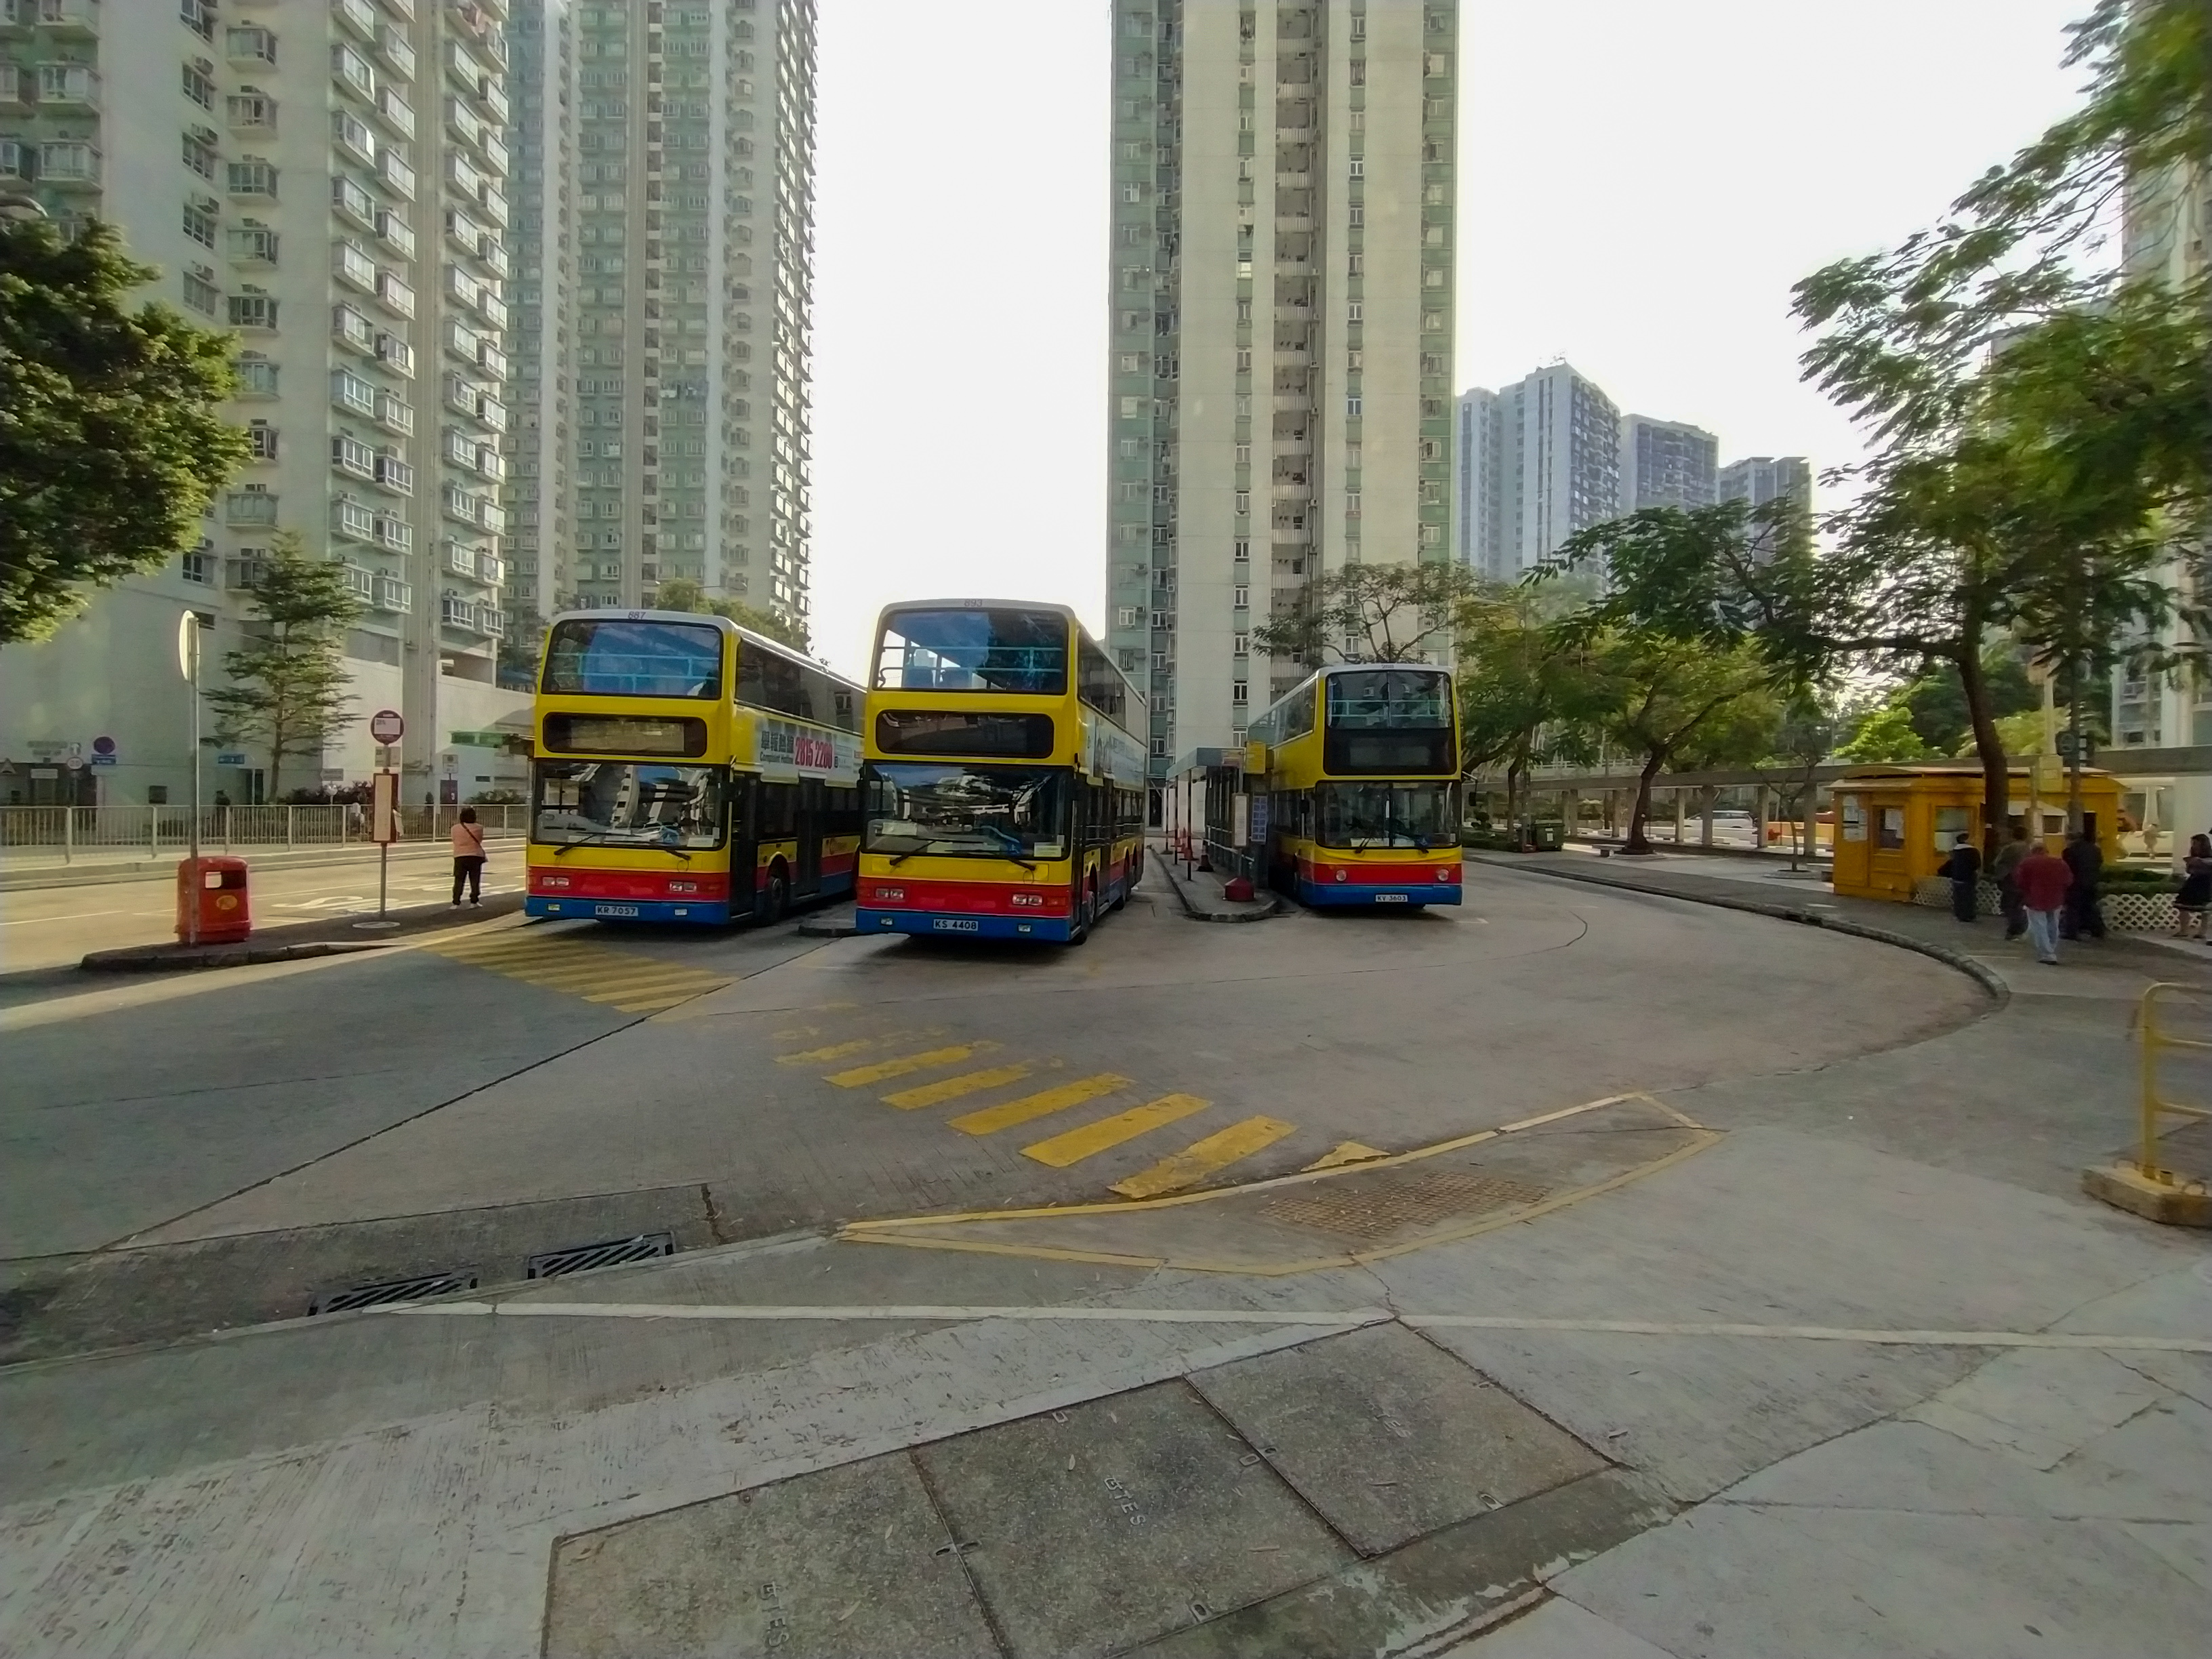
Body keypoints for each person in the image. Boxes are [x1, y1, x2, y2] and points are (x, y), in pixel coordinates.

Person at [2015, 836, 2072, 966]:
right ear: (2046, 850)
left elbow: (2020, 881)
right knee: (2053, 924)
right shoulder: (2060, 862)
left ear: (2032, 850)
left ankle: (2047, 954)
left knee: (2039, 926)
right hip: (2056, 897)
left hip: (2035, 898)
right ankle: (2051, 948)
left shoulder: (2027, 863)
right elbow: (2068, 881)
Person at [2061, 826, 2106, 941]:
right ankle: (2098, 930)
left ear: (2070, 840)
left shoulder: (2070, 851)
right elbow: (2100, 862)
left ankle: (2071, 932)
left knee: (2073, 907)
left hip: (2076, 883)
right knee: (2091, 906)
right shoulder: (2095, 849)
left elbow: (2067, 868)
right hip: (2092, 881)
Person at [1990, 823, 2032, 940]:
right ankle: (2019, 928)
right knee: (2019, 904)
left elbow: (2000, 863)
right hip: (2025, 880)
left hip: (2011, 880)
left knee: (2009, 905)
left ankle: (2015, 929)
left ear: (2013, 835)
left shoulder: (2010, 848)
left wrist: (1996, 877)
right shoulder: (2029, 848)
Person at [2177, 834, 2212, 942]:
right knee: (2182, 906)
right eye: (2193, 843)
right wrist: (2191, 864)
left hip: (2206, 883)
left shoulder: (2209, 856)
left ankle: (2202, 932)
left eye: (2196, 843)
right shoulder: (2193, 856)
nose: (2193, 846)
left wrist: (2199, 862)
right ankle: (2184, 930)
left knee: (2205, 909)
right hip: (2194, 881)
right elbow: (2189, 871)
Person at [450, 806, 487, 907]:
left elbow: (454, 840)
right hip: (475, 856)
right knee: (475, 880)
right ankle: (474, 901)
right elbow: (480, 840)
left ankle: (456, 902)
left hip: (459, 856)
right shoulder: (479, 828)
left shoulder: (455, 828)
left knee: (459, 880)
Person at [1941, 832, 1982, 922]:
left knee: (1958, 896)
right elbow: (1977, 864)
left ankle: (1959, 914)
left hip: (1956, 877)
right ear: (1966, 840)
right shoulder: (1973, 851)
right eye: (1971, 838)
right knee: (1968, 897)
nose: (1973, 840)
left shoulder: (1955, 851)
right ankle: (1968, 915)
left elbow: (1950, 863)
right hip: (1968, 877)